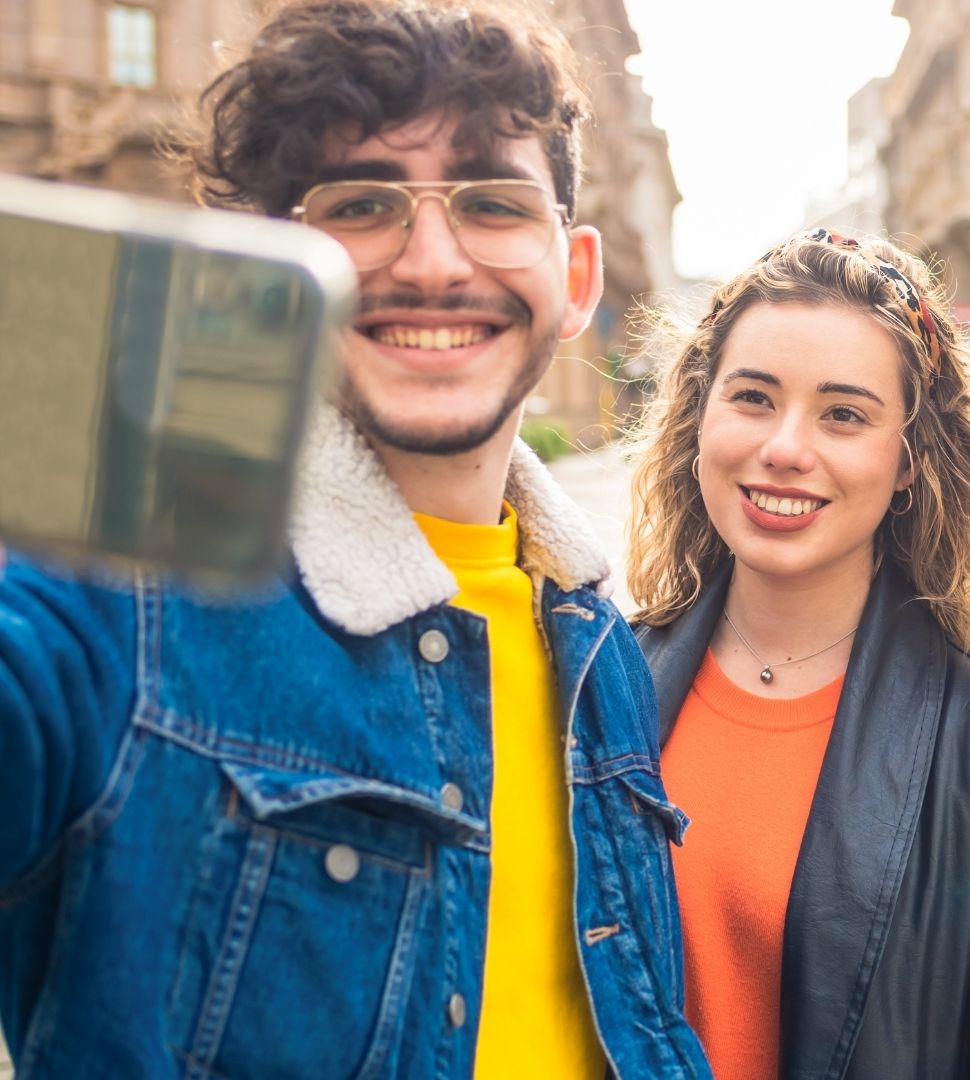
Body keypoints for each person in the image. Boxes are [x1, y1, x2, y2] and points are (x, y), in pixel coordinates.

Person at [0, 0, 709, 1075]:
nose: (432, 260)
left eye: (490, 201)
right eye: (363, 203)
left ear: (575, 279)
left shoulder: (602, 647)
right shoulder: (120, 597)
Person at [624, 228, 970, 1078]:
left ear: (908, 461)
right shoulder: (599, 685)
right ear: (699, 417)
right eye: (753, 397)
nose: (787, 447)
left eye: (843, 414)